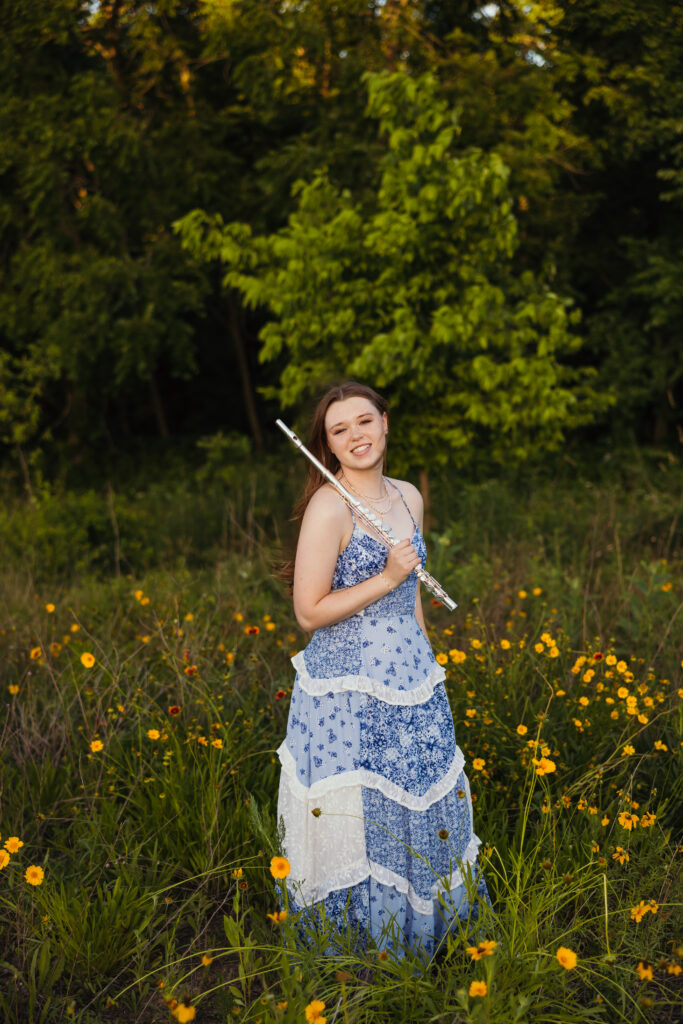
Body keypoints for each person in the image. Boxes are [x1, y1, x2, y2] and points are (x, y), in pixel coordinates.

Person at [275, 381, 490, 961]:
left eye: (364, 422)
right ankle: (364, 952)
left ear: (385, 423)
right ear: (327, 443)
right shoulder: (329, 507)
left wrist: (427, 660)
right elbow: (307, 612)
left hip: (410, 678)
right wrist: (388, 577)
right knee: (359, 813)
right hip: (346, 688)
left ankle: (423, 931)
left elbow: (413, 600)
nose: (355, 436)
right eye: (339, 430)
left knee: (416, 799)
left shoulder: (409, 496)